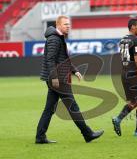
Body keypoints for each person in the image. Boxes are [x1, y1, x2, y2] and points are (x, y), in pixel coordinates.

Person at [35, 15, 104, 144]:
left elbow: (63, 59)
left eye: (69, 24)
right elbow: (50, 60)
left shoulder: (57, 38)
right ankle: (87, 133)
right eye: (65, 24)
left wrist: (75, 70)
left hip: (57, 78)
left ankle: (40, 137)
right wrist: (54, 77)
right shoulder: (54, 39)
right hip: (58, 79)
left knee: (49, 109)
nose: (68, 26)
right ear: (58, 25)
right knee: (73, 107)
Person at [112, 18, 137, 136]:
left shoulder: (123, 40)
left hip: (125, 74)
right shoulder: (136, 40)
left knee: (134, 101)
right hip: (135, 74)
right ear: (133, 27)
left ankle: (118, 119)